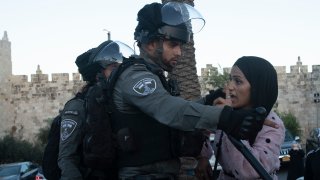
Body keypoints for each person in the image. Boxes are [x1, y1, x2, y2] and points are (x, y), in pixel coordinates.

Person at [110, 2, 276, 179]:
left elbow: (175, 111)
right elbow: (170, 110)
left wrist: (208, 100)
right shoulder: (136, 76)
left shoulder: (153, 75)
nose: (179, 52)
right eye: (173, 44)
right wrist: (227, 118)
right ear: (150, 43)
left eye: (181, 46)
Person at [58, 40, 134, 180]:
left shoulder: (118, 102)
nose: (119, 72)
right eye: (113, 67)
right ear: (97, 75)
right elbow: (67, 157)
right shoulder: (78, 106)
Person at [212, 56, 285, 179]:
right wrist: (202, 158)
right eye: (230, 79)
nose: (229, 87)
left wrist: (234, 125)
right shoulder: (229, 114)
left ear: (258, 87)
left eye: (238, 81)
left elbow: (250, 171)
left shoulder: (271, 125)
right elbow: (200, 132)